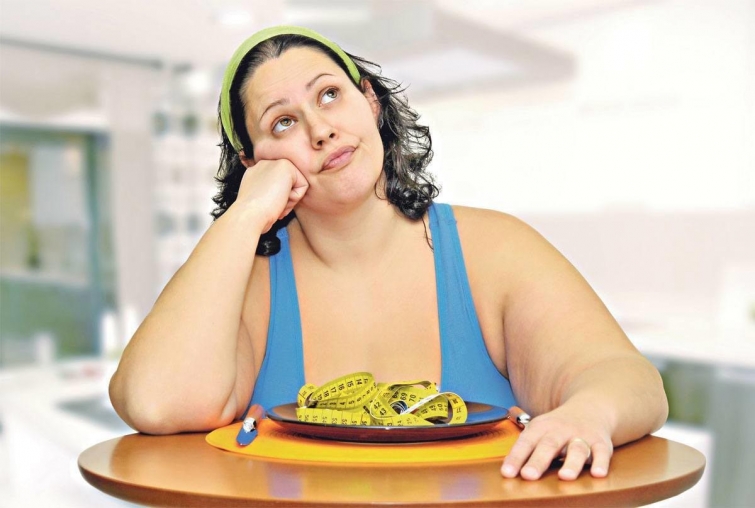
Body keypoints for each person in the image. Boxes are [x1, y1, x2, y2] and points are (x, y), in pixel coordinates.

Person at [109, 26, 668, 482]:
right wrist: (244, 214)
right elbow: (156, 402)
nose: (320, 130)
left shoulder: (495, 250)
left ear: (370, 102)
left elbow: (628, 379)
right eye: (283, 121)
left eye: (330, 95)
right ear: (254, 161)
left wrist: (588, 413)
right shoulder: (246, 284)